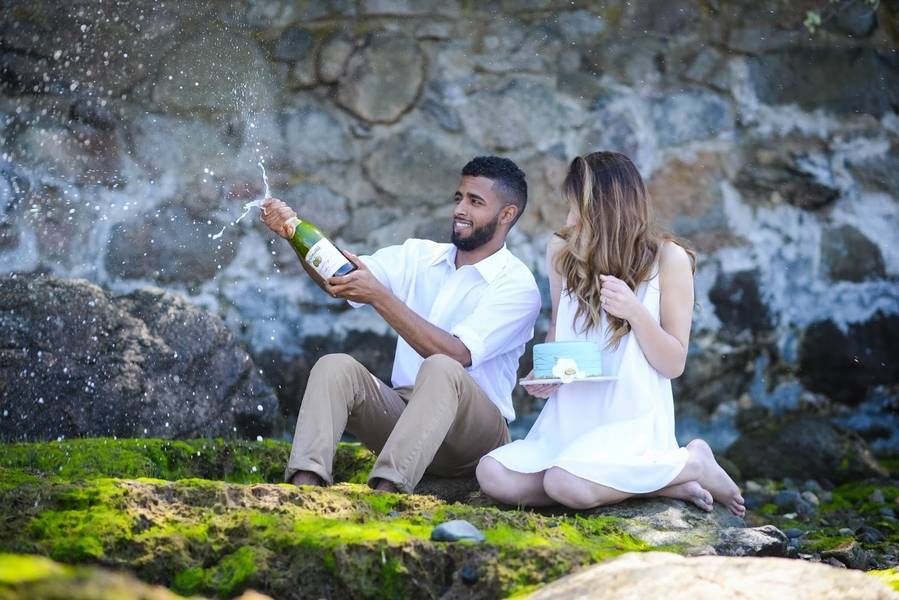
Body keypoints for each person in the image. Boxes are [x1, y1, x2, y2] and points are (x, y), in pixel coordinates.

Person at [476, 151, 746, 516]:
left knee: (561, 483)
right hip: (570, 420)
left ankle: (693, 462)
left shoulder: (669, 259)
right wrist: (548, 371)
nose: (569, 219)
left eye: (577, 208)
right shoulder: (561, 250)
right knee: (492, 474)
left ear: (605, 208)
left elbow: (674, 362)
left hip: (629, 423)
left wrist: (635, 311)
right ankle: (666, 483)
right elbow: (560, 326)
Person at [261, 156, 541, 494]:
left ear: (506, 214)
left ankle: (386, 495)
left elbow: (457, 354)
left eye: (475, 201)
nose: (459, 209)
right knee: (334, 367)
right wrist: (293, 232)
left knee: (442, 367)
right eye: (459, 198)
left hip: (473, 436)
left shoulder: (517, 285)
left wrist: (379, 297)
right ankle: (304, 489)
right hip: (405, 414)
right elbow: (341, 279)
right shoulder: (418, 256)